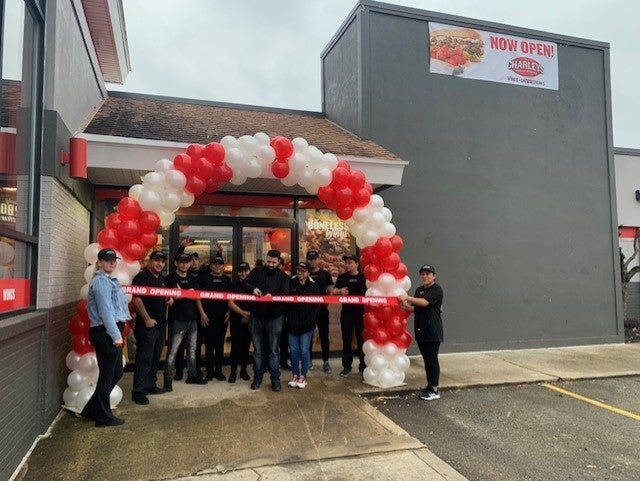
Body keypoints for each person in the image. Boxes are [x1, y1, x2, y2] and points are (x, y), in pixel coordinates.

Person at [81, 248, 130, 427]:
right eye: (107, 260)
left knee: (115, 372)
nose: (111, 262)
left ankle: (91, 410)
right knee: (108, 374)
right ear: (99, 262)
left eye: (113, 260)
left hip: (110, 330)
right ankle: (103, 416)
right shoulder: (101, 282)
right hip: (106, 331)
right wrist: (116, 336)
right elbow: (105, 311)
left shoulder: (109, 280)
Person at [242, 249, 290, 392]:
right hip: (257, 316)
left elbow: (285, 295)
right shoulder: (257, 271)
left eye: (273, 262)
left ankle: (275, 379)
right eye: (268, 261)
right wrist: (253, 289)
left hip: (275, 317)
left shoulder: (283, 277)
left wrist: (273, 296)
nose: (270, 264)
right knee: (257, 351)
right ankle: (257, 378)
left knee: (274, 351)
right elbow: (245, 284)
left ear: (278, 262)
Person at [131, 250, 172, 405]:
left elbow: (165, 297)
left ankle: (150, 385)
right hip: (146, 326)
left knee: (155, 357)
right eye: (157, 260)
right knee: (144, 359)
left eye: (162, 261)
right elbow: (136, 299)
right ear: (149, 261)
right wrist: (147, 319)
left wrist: (169, 300)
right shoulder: (141, 277)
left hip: (160, 325)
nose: (160, 264)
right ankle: (138, 392)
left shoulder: (161, 279)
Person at [163, 252, 209, 391]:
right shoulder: (170, 278)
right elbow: (173, 297)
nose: (184, 264)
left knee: (192, 350)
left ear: (189, 264)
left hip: (193, 319)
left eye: (186, 262)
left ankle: (192, 375)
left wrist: (201, 313)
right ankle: (167, 379)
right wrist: (186, 292)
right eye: (181, 262)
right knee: (173, 351)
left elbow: (196, 296)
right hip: (177, 320)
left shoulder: (192, 277)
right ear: (176, 263)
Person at [398, 263, 443, 401]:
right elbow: (416, 308)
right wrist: (405, 306)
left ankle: (434, 389)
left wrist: (407, 298)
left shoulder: (437, 289)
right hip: (421, 331)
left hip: (432, 331)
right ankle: (429, 386)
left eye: (428, 274)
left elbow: (424, 303)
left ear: (434, 276)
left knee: (432, 360)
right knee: (427, 360)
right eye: (422, 274)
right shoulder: (419, 290)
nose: (425, 276)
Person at [332, 253, 367, 377]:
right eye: (346, 263)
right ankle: (346, 366)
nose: (347, 265)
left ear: (357, 264)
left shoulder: (364, 278)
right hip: (346, 313)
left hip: (360, 313)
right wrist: (340, 291)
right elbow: (333, 291)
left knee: (361, 339)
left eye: (350, 262)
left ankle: (363, 366)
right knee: (346, 340)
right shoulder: (342, 278)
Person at [287, 262, 320, 389]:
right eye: (298, 270)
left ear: (308, 273)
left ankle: (303, 375)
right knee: (294, 351)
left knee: (304, 350)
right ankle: (295, 374)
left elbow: (316, 306)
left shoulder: (313, 287)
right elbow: (286, 302)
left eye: (303, 271)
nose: (300, 273)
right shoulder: (291, 284)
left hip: (307, 325)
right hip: (292, 324)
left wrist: (309, 319)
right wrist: (288, 318)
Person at [199, 255, 232, 381]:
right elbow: (198, 297)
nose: (217, 266)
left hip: (222, 319)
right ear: (211, 266)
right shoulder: (204, 279)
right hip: (207, 318)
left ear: (223, 266)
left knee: (219, 346)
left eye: (219, 264)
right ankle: (209, 371)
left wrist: (229, 312)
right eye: (214, 264)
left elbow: (231, 298)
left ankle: (218, 370)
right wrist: (202, 314)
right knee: (208, 345)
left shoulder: (227, 280)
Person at [306, 249, 334, 373]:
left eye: (314, 259)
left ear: (318, 259)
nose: (312, 261)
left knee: (324, 336)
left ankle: (326, 362)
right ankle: (308, 361)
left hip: (322, 311)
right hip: (308, 311)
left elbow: (330, 290)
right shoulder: (305, 273)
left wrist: (327, 301)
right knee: (308, 337)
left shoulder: (325, 274)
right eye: (310, 259)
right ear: (307, 260)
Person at [228, 261, 253, 383]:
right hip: (236, 319)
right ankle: (233, 372)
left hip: (249, 320)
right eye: (241, 271)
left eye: (245, 271)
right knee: (235, 346)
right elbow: (230, 303)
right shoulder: (234, 285)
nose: (243, 273)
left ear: (249, 271)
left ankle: (243, 370)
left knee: (246, 346)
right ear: (238, 273)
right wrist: (243, 313)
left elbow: (256, 302)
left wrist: (249, 315)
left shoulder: (253, 286)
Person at [278, 255, 291, 371]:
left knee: (284, 339)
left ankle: (283, 361)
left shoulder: (286, 278)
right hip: (272, 313)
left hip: (284, 312)